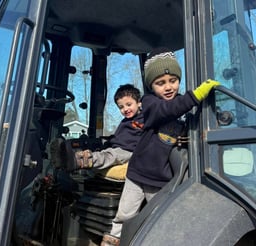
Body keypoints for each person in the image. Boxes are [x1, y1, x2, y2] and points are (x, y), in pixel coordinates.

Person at [100, 47, 220, 246]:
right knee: (125, 213)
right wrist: (196, 95)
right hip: (138, 173)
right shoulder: (150, 103)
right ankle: (113, 241)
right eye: (160, 83)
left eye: (173, 80)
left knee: (158, 218)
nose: (168, 87)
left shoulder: (182, 105)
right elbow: (167, 110)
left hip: (161, 179)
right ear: (151, 86)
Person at [71, 84, 144, 170]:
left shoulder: (145, 119)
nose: (125, 109)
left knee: (111, 156)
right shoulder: (125, 121)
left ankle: (83, 160)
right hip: (117, 147)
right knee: (100, 146)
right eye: (121, 107)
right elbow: (119, 136)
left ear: (139, 103)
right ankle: (69, 154)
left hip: (129, 151)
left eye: (129, 104)